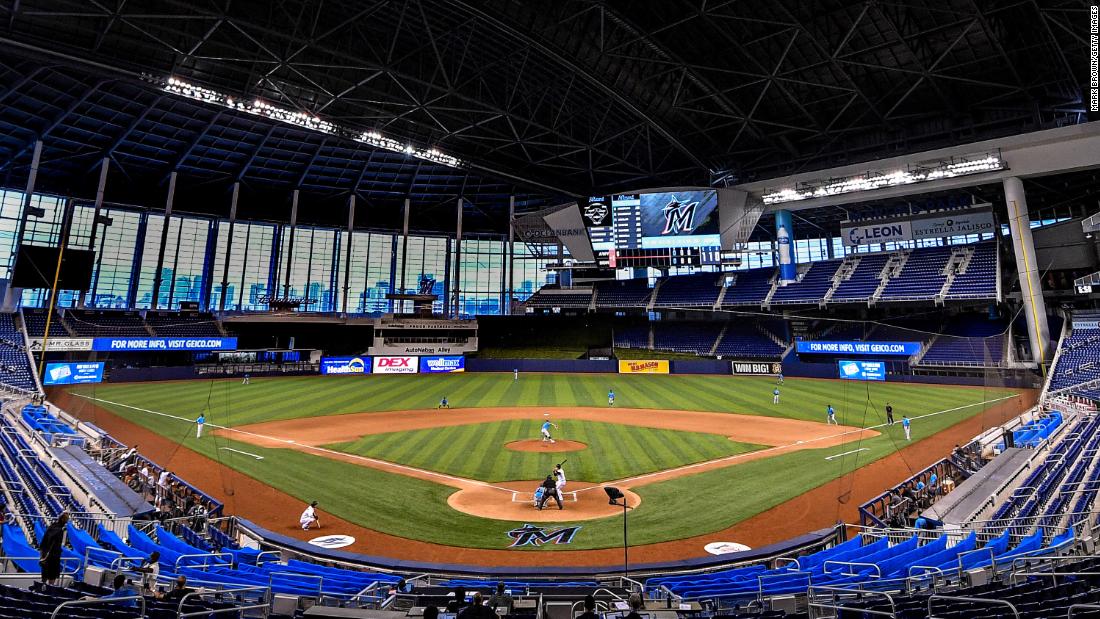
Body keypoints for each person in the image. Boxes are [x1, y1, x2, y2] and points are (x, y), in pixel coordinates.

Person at [38, 512, 67, 585]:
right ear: (63, 519)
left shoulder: (51, 526)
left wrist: (42, 556)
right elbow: (55, 545)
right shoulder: (60, 530)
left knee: (44, 576)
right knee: (52, 577)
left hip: (45, 554)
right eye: (66, 519)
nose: (67, 521)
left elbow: (44, 541)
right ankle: (50, 589)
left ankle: (43, 588)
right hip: (53, 556)